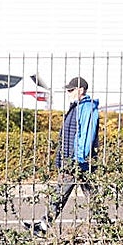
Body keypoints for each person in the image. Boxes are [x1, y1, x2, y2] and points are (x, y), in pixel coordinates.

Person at [28, 76, 100, 232]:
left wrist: (79, 160)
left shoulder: (87, 108)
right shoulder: (76, 106)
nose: (69, 93)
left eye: (71, 90)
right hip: (72, 160)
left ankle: (44, 226)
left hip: (78, 161)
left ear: (81, 90)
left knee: (64, 193)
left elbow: (86, 136)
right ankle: (103, 226)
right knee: (85, 194)